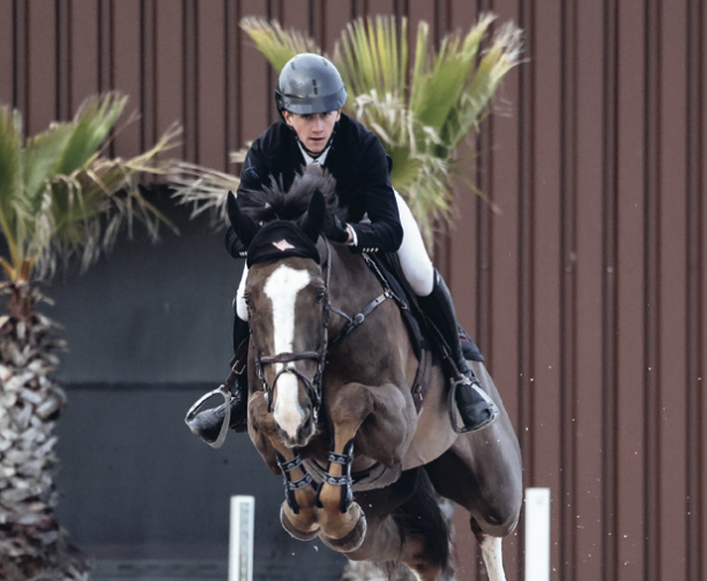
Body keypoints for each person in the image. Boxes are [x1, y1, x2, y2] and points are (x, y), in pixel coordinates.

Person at [185, 53, 497, 446]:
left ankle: (460, 375)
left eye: (326, 114)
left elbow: (389, 231)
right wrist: (264, 242)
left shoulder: (363, 145)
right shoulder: (267, 149)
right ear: (287, 116)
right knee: (246, 302)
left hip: (362, 219)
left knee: (419, 274)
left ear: (338, 112)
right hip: (293, 239)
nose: (318, 126)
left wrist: (348, 233)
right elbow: (237, 231)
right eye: (307, 116)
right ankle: (239, 392)